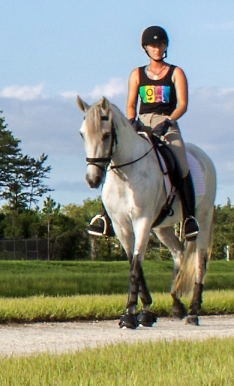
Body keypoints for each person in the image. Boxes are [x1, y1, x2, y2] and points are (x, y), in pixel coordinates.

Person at [87, 25, 201, 241]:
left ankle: (189, 218)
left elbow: (183, 104)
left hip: (166, 124)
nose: (157, 49)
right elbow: (131, 104)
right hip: (141, 124)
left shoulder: (176, 72)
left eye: (160, 45)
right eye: (153, 45)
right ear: (146, 48)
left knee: (181, 164)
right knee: (114, 159)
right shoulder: (136, 74)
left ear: (166, 46)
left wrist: (169, 122)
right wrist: (132, 122)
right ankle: (105, 217)